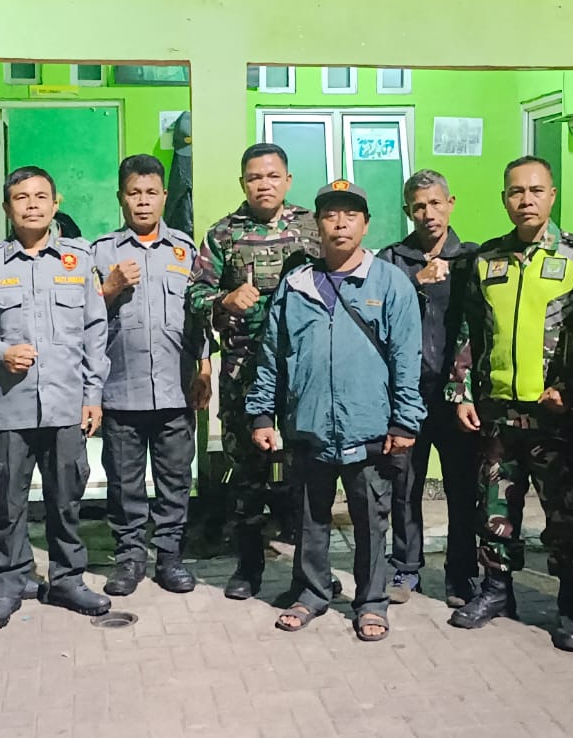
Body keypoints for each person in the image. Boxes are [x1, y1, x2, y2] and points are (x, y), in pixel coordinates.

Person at [247, 180, 423, 641]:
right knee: (310, 519)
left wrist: (405, 421)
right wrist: (262, 415)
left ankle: (372, 601)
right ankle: (311, 593)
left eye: (350, 215)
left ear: (366, 224)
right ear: (318, 224)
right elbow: (272, 356)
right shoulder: (295, 286)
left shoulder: (390, 283)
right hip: (308, 427)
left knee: (371, 522)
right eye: (330, 215)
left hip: (369, 427)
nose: (340, 224)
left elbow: (407, 358)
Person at [447, 155, 573, 649]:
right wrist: (461, 392)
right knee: (495, 507)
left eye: (536, 190)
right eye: (516, 192)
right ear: (504, 199)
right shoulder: (487, 259)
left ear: (552, 195)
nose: (526, 200)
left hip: (554, 413)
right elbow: (470, 331)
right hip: (498, 412)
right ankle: (496, 591)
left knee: (567, 516)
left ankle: (571, 605)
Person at [0, 166, 110, 631]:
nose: (32, 205)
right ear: (7, 207)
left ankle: (67, 579)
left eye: (41, 196)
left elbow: (95, 331)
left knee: (66, 500)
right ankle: (6, 586)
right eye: (21, 198)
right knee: (5, 503)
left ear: (56, 203)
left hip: (65, 404)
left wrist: (93, 395)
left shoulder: (79, 260)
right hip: (7, 405)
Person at [188, 142, 322, 600]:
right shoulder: (223, 234)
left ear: (288, 180)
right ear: (243, 183)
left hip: (304, 374)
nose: (264, 184)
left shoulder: (312, 227)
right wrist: (224, 300)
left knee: (309, 476)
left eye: (272, 176)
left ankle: (311, 572)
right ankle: (248, 568)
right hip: (243, 372)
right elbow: (194, 294)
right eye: (254, 178)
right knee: (248, 477)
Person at [91, 154, 211, 598]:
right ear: (120, 198)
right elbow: (80, 318)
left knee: (175, 479)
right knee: (124, 483)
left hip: (175, 389)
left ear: (164, 196)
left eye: (151, 193)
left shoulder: (185, 250)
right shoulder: (100, 252)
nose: (142, 202)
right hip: (121, 389)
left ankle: (170, 557)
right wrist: (109, 288)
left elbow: (198, 315)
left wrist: (204, 366)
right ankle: (129, 557)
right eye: (133, 193)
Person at [377, 169, 480, 607]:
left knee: (463, 488)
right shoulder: (392, 259)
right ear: (408, 211)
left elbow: (482, 326)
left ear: (450, 204)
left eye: (436, 203)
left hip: (456, 397)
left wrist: (467, 390)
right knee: (405, 486)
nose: (428, 213)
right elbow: (373, 310)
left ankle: (461, 574)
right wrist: (413, 282)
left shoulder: (472, 258)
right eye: (419, 206)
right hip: (407, 395)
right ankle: (406, 568)